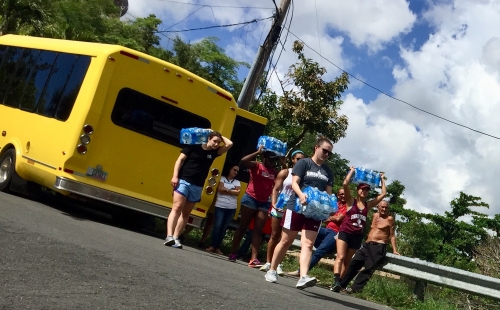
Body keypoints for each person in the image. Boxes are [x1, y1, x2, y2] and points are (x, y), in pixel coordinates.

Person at [264, 137, 334, 290]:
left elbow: (328, 193)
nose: (326, 154)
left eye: (329, 153)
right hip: (296, 206)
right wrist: (301, 195)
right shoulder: (304, 163)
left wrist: (328, 207)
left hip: (314, 212)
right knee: (285, 241)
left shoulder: (328, 171)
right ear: (316, 148)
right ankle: (272, 270)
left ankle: (303, 277)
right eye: (325, 150)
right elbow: (295, 182)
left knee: (308, 244)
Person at [164, 131, 233, 249]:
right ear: (208, 139)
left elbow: (230, 144)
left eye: (218, 142)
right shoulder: (193, 146)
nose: (217, 144)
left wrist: (219, 135)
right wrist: (175, 176)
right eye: (214, 141)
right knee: (177, 207)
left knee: (186, 213)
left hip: (197, 185)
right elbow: (179, 160)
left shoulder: (214, 152)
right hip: (184, 180)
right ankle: (169, 236)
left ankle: (176, 237)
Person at [331, 167, 386, 292]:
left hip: (356, 235)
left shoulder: (368, 205)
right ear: (358, 190)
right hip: (345, 232)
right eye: (362, 189)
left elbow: (383, 194)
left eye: (367, 190)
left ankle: (339, 283)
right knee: (340, 256)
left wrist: (382, 180)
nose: (364, 192)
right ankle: (335, 281)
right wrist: (352, 171)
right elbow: (345, 183)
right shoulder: (351, 201)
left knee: (347, 261)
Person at [228, 146, 281, 267]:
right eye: (270, 159)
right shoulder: (256, 166)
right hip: (250, 199)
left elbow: (285, 175)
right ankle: (233, 253)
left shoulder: (274, 172)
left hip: (264, 202)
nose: (272, 162)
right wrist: (257, 152)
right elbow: (244, 160)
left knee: (258, 229)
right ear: (264, 158)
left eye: (274, 160)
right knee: (242, 227)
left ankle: (254, 258)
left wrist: (283, 163)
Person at [260, 150, 306, 275]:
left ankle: (278, 264)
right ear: (293, 160)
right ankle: (269, 262)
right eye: (297, 159)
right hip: (280, 206)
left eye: (302, 160)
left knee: (284, 239)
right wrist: (274, 204)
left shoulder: (304, 175)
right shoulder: (286, 172)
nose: (299, 161)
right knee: (274, 235)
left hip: (292, 208)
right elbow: (275, 189)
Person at [339, 200, 399, 293]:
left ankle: (355, 289)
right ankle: (341, 284)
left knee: (368, 268)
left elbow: (392, 235)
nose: (384, 209)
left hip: (378, 246)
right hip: (367, 245)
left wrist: (395, 250)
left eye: (386, 207)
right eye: (382, 207)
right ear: (378, 207)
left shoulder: (389, 219)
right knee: (354, 263)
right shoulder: (375, 215)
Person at [287, 188, 347, 276]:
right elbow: (324, 214)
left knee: (319, 251)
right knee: (309, 233)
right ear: (338, 195)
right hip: (326, 229)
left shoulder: (347, 206)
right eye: (341, 194)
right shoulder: (335, 205)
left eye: (345, 194)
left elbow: (338, 218)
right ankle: (327, 248)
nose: (343, 196)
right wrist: (329, 217)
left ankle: (301, 272)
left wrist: (329, 218)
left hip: (335, 232)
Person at [206, 165, 241, 255]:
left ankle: (217, 247)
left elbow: (237, 193)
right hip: (220, 206)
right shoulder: (221, 178)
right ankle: (212, 246)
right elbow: (220, 189)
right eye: (234, 170)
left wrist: (226, 189)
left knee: (224, 228)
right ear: (230, 169)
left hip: (231, 208)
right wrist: (231, 190)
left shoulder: (237, 182)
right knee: (217, 226)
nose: (236, 172)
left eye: (237, 171)